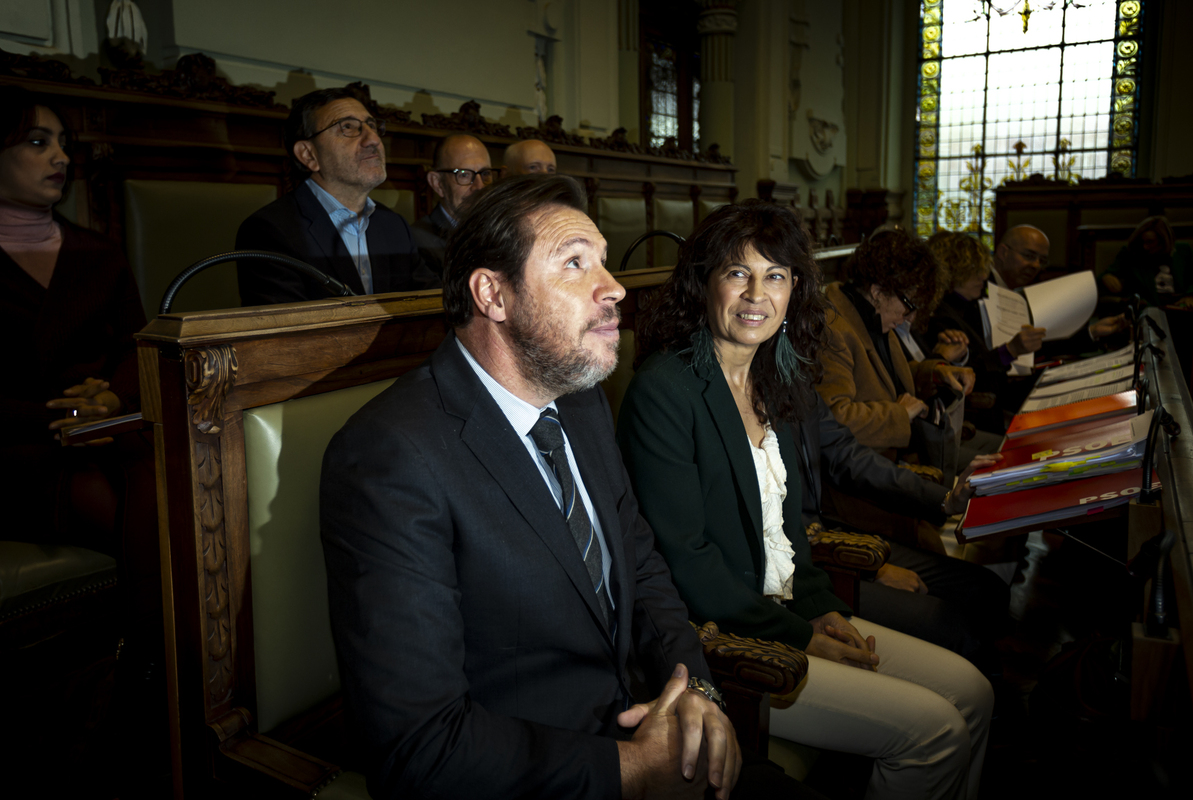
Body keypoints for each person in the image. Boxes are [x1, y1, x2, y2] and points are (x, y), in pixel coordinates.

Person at [321, 175, 816, 800]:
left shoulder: (579, 403)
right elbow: (419, 744)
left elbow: (643, 568)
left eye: (604, 263)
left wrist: (694, 691)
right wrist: (632, 771)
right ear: (492, 294)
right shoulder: (389, 457)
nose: (612, 289)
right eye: (575, 264)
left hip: (639, 720)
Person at [617, 200, 993, 799]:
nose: (755, 294)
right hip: (728, 640)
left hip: (788, 614)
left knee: (973, 691)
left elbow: (790, 529)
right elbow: (684, 560)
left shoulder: (779, 377)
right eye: (738, 273)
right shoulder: (665, 390)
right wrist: (797, 634)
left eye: (776, 276)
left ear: (795, 290)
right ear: (704, 282)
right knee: (937, 732)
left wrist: (820, 608)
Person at [0, 86, 147, 553]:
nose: (61, 156)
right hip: (15, 451)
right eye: (39, 142)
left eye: (64, 143)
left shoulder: (99, 254)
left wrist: (110, 399)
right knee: (129, 515)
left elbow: (135, 347)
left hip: (106, 437)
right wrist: (66, 418)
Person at [236, 87, 439, 306]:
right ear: (308, 154)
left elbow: (433, 305)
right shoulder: (269, 232)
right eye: (348, 127)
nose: (373, 140)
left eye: (372, 126)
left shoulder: (393, 225)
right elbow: (287, 336)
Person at [818, 230, 975, 455]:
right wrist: (898, 415)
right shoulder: (830, 329)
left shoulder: (874, 313)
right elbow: (832, 421)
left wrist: (934, 372)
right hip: (860, 474)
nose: (910, 317)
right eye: (909, 305)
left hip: (891, 459)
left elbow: (883, 379)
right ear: (878, 291)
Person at [925, 231, 1035, 440]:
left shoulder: (971, 304)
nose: (984, 277)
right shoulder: (939, 314)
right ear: (952, 270)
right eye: (975, 270)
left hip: (992, 409)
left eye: (983, 268)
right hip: (967, 418)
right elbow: (963, 372)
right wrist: (1008, 351)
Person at [992, 224, 1128, 346]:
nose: (1036, 265)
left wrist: (1093, 331)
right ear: (1003, 252)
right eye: (1029, 256)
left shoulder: (1019, 294)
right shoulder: (978, 289)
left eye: (1042, 261)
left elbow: (1038, 345)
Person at [412, 133, 495, 272]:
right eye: (464, 174)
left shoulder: (504, 230)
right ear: (437, 183)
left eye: (485, 173)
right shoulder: (418, 242)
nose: (480, 186)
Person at [1101, 216, 1193, 308]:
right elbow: (1106, 275)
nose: (1145, 247)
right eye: (1142, 242)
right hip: (1147, 307)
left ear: (1163, 241)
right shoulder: (1131, 253)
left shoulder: (1183, 251)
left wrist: (1190, 296)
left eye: (1150, 242)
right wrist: (1106, 277)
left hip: (1179, 307)